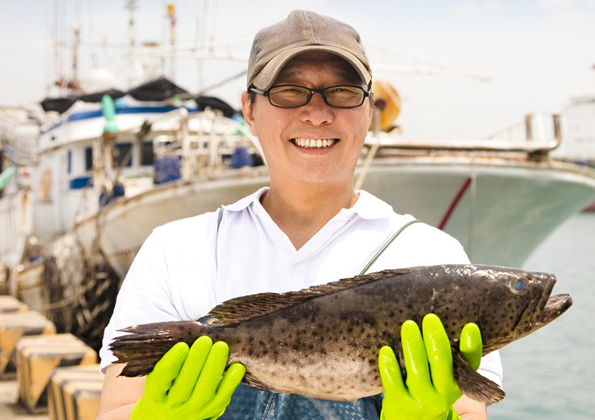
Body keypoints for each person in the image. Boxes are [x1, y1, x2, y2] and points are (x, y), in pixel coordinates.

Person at [96, 10, 501, 420]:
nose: (318, 113)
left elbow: (470, 411)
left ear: (367, 111)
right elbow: (116, 408)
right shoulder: (176, 250)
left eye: (342, 92)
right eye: (289, 91)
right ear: (249, 110)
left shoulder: (430, 254)